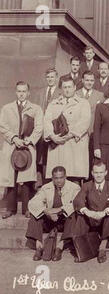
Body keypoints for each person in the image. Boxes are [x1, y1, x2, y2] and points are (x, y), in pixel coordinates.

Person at [0, 81, 43, 219]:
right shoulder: (7, 108)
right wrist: (13, 138)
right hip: (11, 145)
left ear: (28, 93)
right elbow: (3, 126)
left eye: (24, 91)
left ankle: (27, 208)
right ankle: (10, 208)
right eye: (19, 91)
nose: (21, 94)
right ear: (15, 92)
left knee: (27, 179)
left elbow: (39, 127)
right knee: (11, 177)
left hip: (27, 146)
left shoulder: (35, 108)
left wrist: (29, 140)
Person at [25, 166, 80, 261]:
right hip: (50, 219)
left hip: (64, 221)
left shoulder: (74, 188)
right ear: (52, 178)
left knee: (74, 216)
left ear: (65, 177)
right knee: (35, 216)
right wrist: (46, 211)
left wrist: (59, 210)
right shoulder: (46, 187)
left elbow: (77, 203)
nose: (59, 181)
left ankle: (60, 247)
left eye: (61, 177)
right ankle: (39, 246)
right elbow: (33, 202)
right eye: (56, 178)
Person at [73, 160, 109, 263]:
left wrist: (104, 212)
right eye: (96, 172)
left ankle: (102, 248)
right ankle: (82, 248)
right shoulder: (87, 186)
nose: (98, 175)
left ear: (106, 172)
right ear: (92, 173)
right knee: (81, 214)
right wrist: (87, 211)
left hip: (105, 220)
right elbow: (78, 199)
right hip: (91, 219)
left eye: (101, 172)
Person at [44, 76, 91, 183]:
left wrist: (69, 135)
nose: (67, 89)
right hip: (57, 146)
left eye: (69, 87)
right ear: (61, 89)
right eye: (65, 87)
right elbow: (46, 121)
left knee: (74, 178)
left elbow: (84, 122)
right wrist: (52, 136)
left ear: (75, 87)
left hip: (74, 145)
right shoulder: (53, 103)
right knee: (58, 177)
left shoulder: (83, 103)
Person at [76, 71, 105, 177]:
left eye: (91, 80)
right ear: (82, 80)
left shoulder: (100, 95)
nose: (89, 82)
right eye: (87, 80)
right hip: (79, 134)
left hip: (93, 133)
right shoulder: (76, 94)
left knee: (92, 160)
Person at [36, 68, 61, 187]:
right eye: (48, 77)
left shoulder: (61, 92)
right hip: (41, 132)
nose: (50, 79)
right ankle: (42, 185)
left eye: (52, 77)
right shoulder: (40, 93)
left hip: (54, 131)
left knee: (53, 159)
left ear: (56, 78)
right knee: (41, 160)